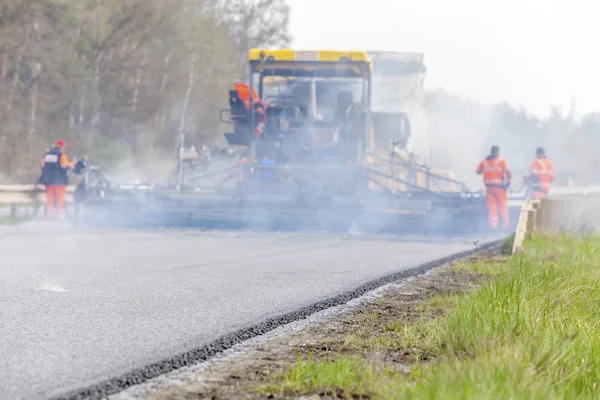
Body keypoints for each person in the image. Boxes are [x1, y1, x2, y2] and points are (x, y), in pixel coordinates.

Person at [476, 145, 511, 231]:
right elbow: (508, 171)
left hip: (489, 188)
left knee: (492, 208)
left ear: (491, 152)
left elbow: (478, 171)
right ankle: (506, 227)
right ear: (498, 152)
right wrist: (508, 182)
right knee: (503, 206)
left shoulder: (484, 162)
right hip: (500, 188)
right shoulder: (501, 161)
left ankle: (493, 228)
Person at [39, 140, 77, 220]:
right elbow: (64, 165)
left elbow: (42, 166)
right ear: (62, 147)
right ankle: (60, 219)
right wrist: (72, 163)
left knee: (50, 200)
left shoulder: (46, 155)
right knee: (60, 200)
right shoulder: (61, 155)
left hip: (48, 181)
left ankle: (48, 218)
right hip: (59, 181)